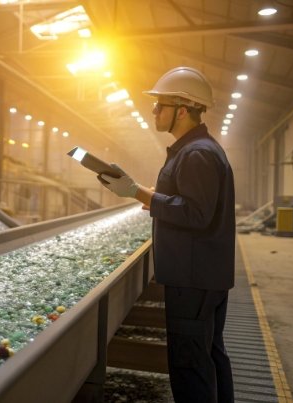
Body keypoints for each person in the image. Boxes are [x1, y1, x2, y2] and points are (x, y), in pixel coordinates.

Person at [99, 66, 235, 403]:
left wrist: (137, 194)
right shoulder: (195, 150)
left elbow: (196, 213)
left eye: (161, 105)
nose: (154, 111)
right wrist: (146, 195)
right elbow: (188, 204)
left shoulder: (197, 153)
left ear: (183, 110)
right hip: (204, 274)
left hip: (193, 277)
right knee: (210, 357)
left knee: (190, 365)